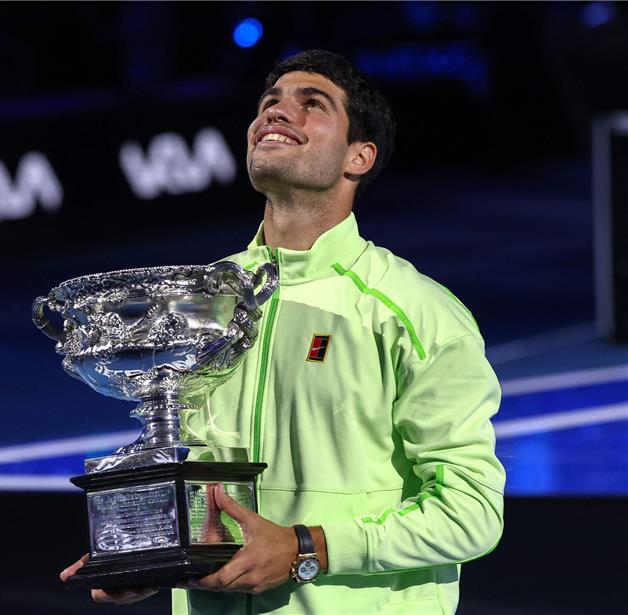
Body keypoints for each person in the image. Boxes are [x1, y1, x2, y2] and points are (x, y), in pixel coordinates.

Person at [60, 49, 505, 615]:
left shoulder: (415, 311)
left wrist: (306, 550)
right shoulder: (202, 303)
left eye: (311, 104)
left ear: (359, 157)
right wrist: (158, 549)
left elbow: (472, 513)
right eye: (268, 103)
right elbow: (197, 478)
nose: (275, 113)